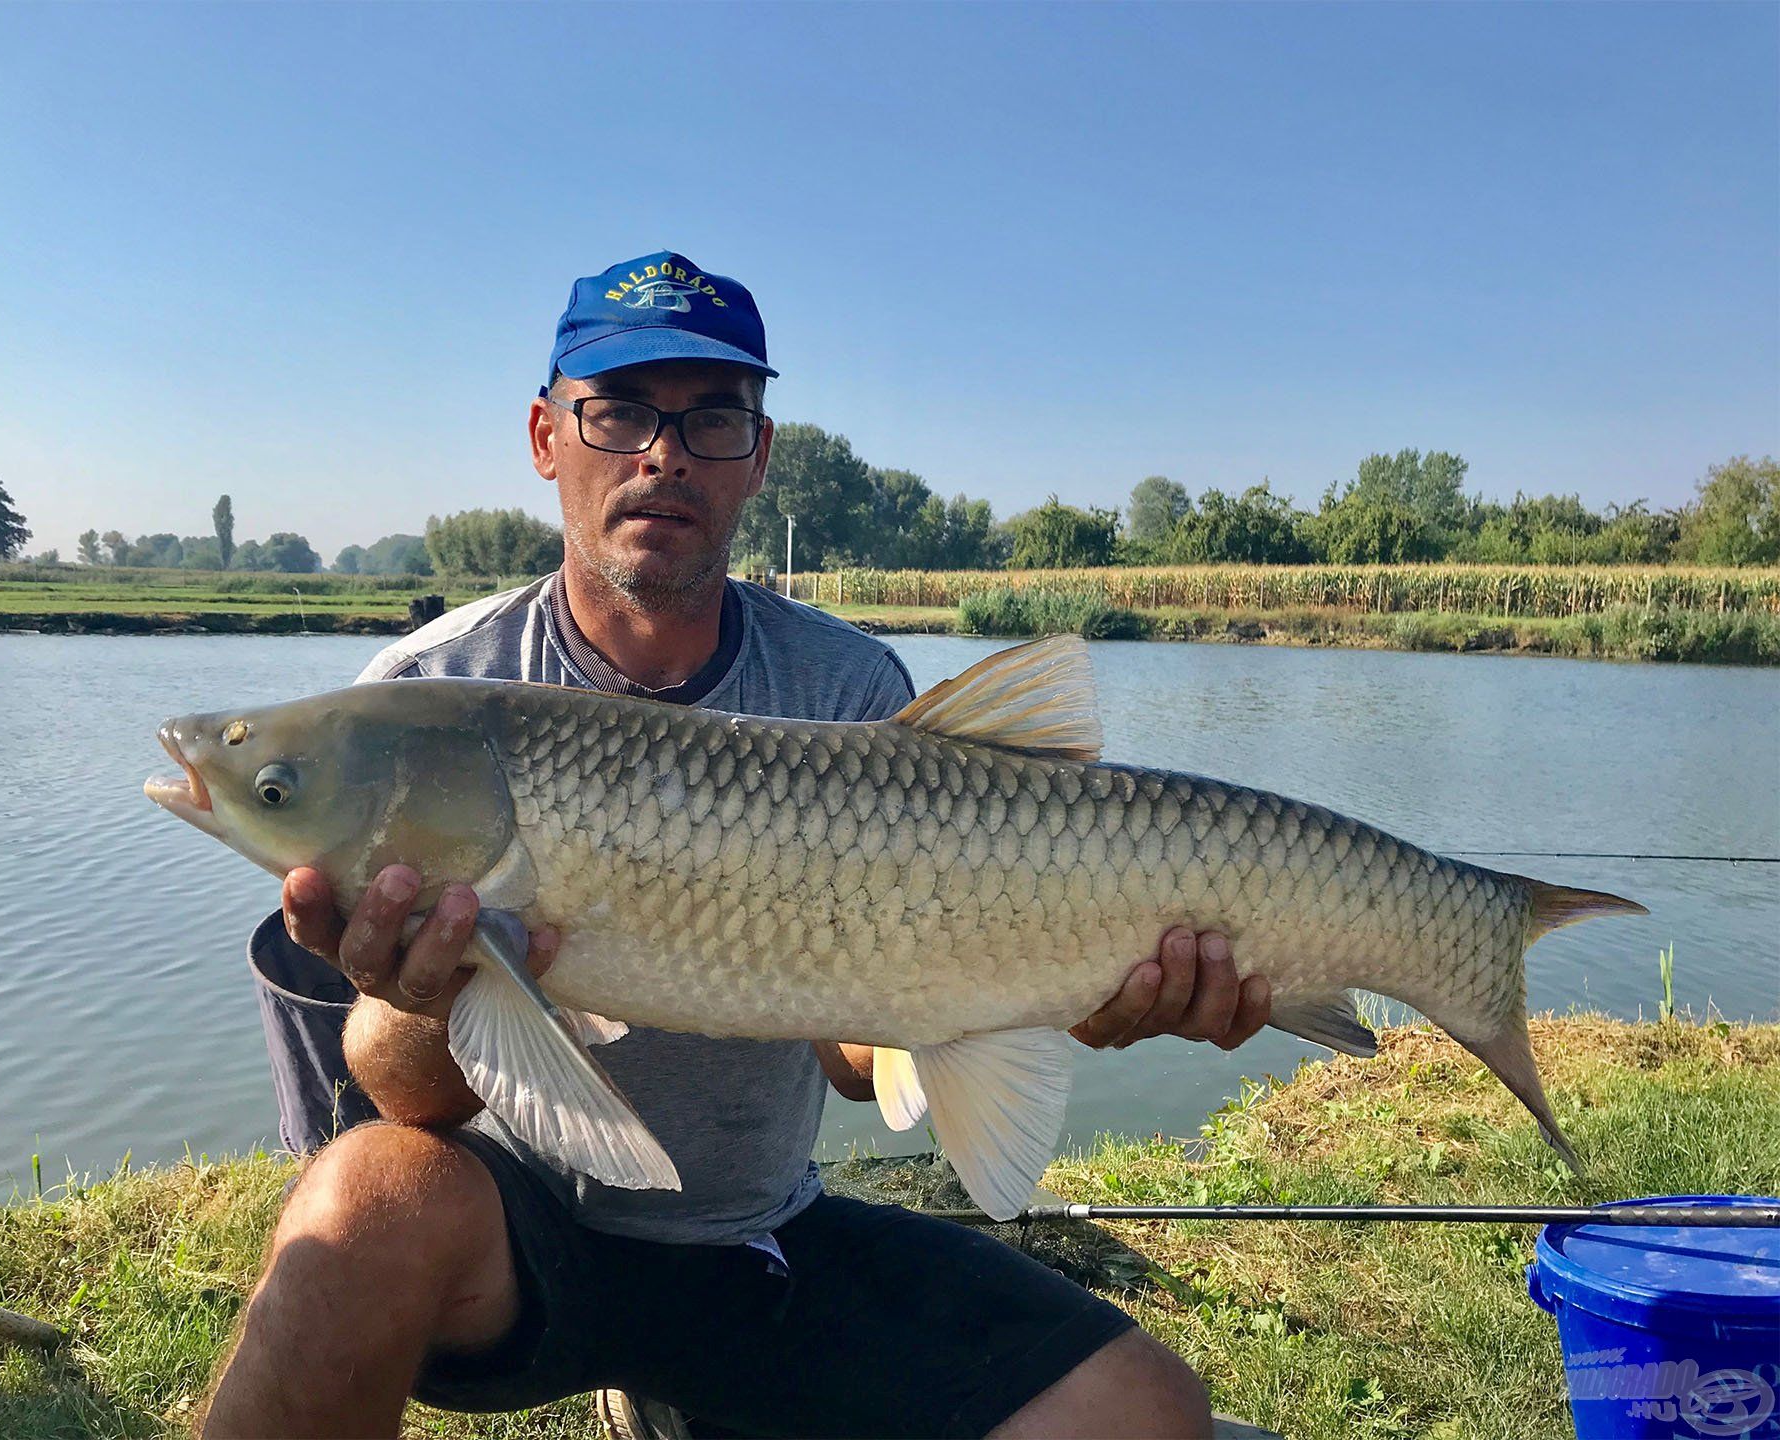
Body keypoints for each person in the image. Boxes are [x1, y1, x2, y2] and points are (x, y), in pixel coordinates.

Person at [203, 251, 1272, 1440]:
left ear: (759, 457)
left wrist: (1055, 979)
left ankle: (686, 1395)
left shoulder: (847, 682)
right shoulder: (427, 697)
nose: (661, 453)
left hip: (760, 1233)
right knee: (350, 1204)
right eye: (616, 411)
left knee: (1148, 1413)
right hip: (515, 1229)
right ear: (548, 436)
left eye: (710, 419)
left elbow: (857, 1060)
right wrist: (422, 990)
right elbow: (399, 1091)